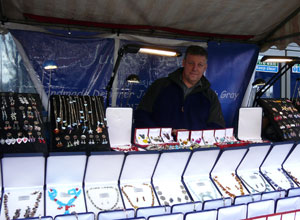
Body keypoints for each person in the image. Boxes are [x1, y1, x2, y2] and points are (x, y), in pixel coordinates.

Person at [134, 45, 225, 131]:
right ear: (183, 63)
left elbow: (217, 127)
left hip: (196, 147)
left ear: (205, 67)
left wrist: (190, 136)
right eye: (191, 63)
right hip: (160, 146)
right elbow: (141, 115)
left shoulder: (210, 96)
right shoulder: (160, 85)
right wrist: (163, 135)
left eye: (200, 65)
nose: (195, 68)